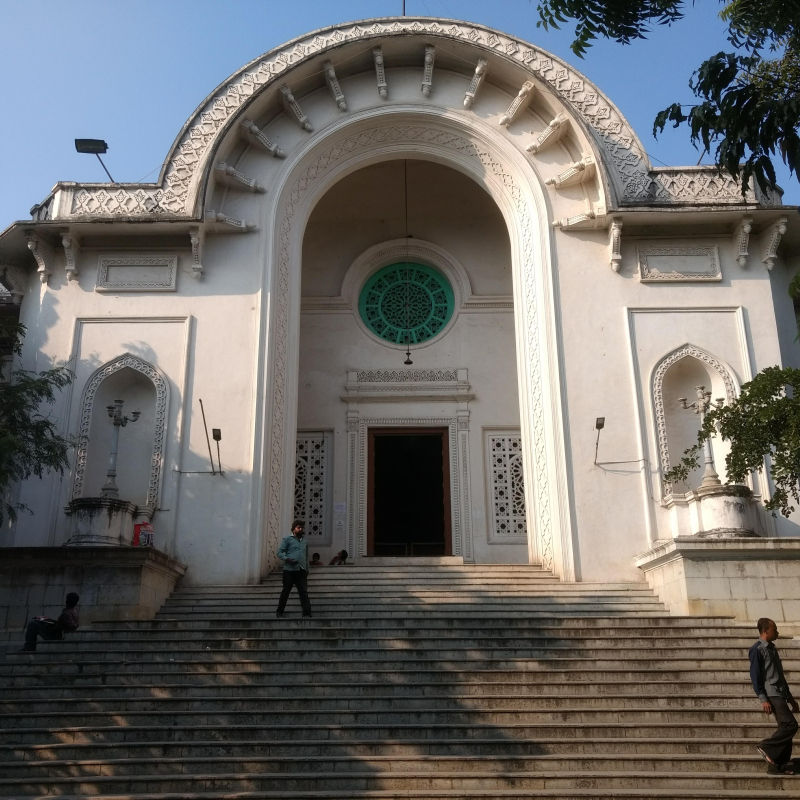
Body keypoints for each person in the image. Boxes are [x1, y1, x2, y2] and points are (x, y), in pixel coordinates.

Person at [750, 617, 799, 774]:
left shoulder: (772, 649)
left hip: (780, 692)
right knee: (790, 725)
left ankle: (777, 766)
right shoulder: (757, 649)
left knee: (784, 727)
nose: (777, 633)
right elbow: (755, 676)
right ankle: (766, 746)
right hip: (771, 693)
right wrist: (763, 699)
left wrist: (791, 698)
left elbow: (780, 676)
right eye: (774, 630)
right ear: (765, 631)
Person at [276, 520, 311, 618]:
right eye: (298, 527)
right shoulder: (288, 539)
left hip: (301, 570)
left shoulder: (305, 541)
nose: (301, 529)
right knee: (286, 592)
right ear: (294, 529)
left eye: (302, 528)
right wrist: (287, 559)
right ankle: (280, 612)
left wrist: (307, 569)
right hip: (289, 570)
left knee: (303, 592)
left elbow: (306, 556)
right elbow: (279, 552)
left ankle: (307, 612)